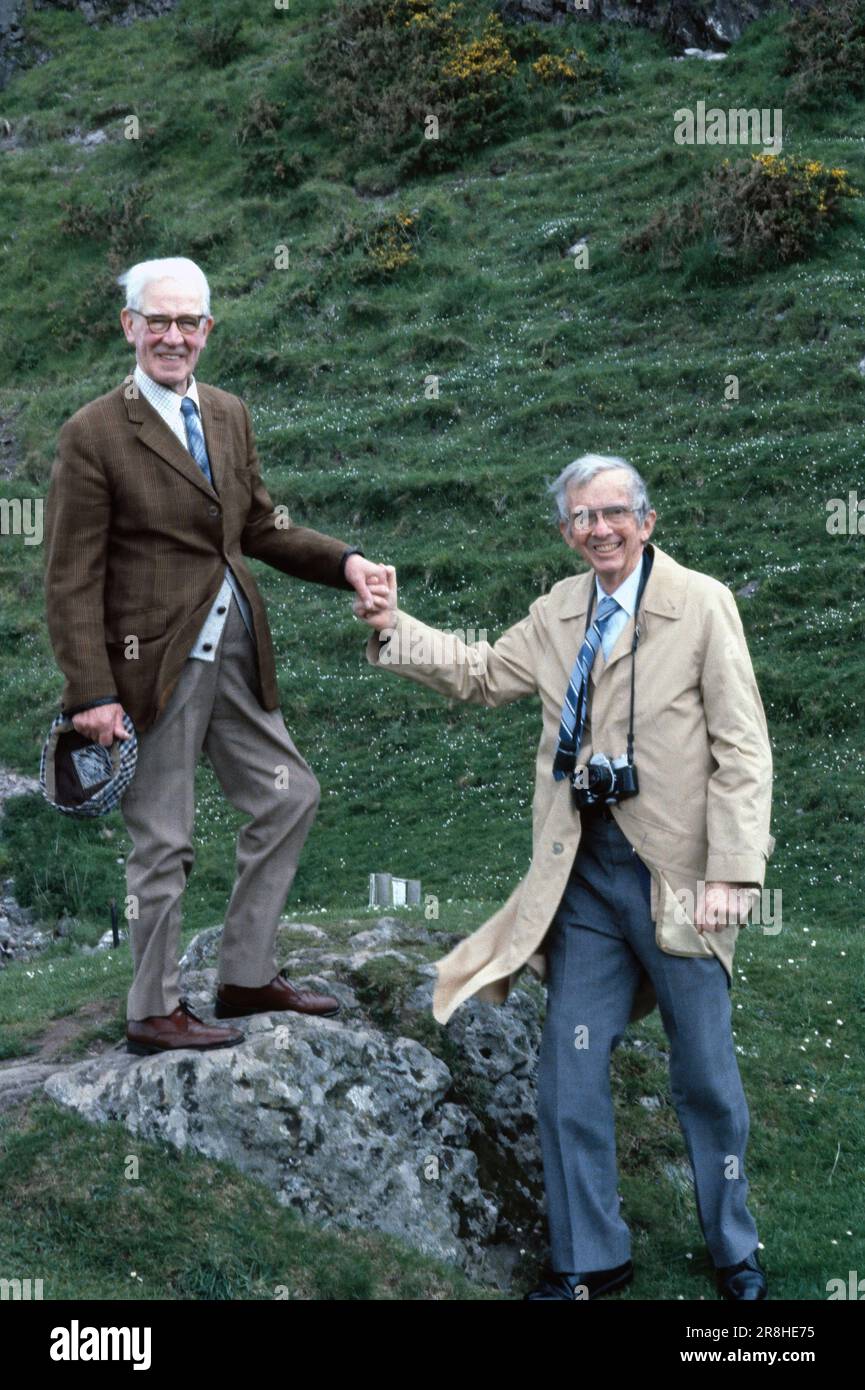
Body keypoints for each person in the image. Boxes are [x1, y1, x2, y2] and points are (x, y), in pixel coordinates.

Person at [356, 453, 775, 1301]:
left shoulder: (700, 605)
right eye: (581, 518)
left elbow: (742, 748)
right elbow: (479, 674)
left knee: (704, 1077)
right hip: (583, 879)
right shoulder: (557, 611)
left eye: (613, 512)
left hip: (679, 878)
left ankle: (733, 1248)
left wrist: (733, 871)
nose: (598, 530)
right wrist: (393, 624)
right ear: (565, 531)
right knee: (566, 1070)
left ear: (646, 521)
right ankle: (592, 1260)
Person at [43, 256, 388, 1056]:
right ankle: (153, 1010)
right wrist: (89, 694)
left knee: (289, 795)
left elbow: (259, 527)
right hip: (150, 672)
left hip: (234, 654)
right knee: (164, 841)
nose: (172, 336)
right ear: (129, 325)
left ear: (207, 330)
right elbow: (68, 579)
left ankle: (243, 975)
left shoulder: (228, 413)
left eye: (187, 322)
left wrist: (345, 563)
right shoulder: (92, 432)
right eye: (156, 320)